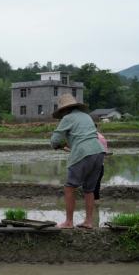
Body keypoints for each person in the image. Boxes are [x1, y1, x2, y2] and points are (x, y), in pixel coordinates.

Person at [50, 94, 105, 229]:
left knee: (69, 187)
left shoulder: (67, 118)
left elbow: (55, 140)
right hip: (99, 151)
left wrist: (57, 145)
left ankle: (68, 222)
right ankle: (89, 221)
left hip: (82, 153)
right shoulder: (86, 116)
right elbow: (83, 135)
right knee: (89, 189)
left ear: (63, 110)